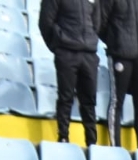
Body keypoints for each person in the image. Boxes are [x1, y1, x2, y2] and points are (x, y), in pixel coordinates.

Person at [38, 0, 103, 146]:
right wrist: (58, 45)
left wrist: (90, 39)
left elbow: (97, 23)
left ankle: (92, 142)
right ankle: (63, 137)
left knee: (89, 101)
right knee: (66, 97)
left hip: (89, 54)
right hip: (66, 52)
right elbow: (45, 22)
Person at [99, 0, 138, 149]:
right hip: (120, 54)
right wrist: (116, 40)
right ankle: (116, 148)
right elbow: (100, 22)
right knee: (117, 101)